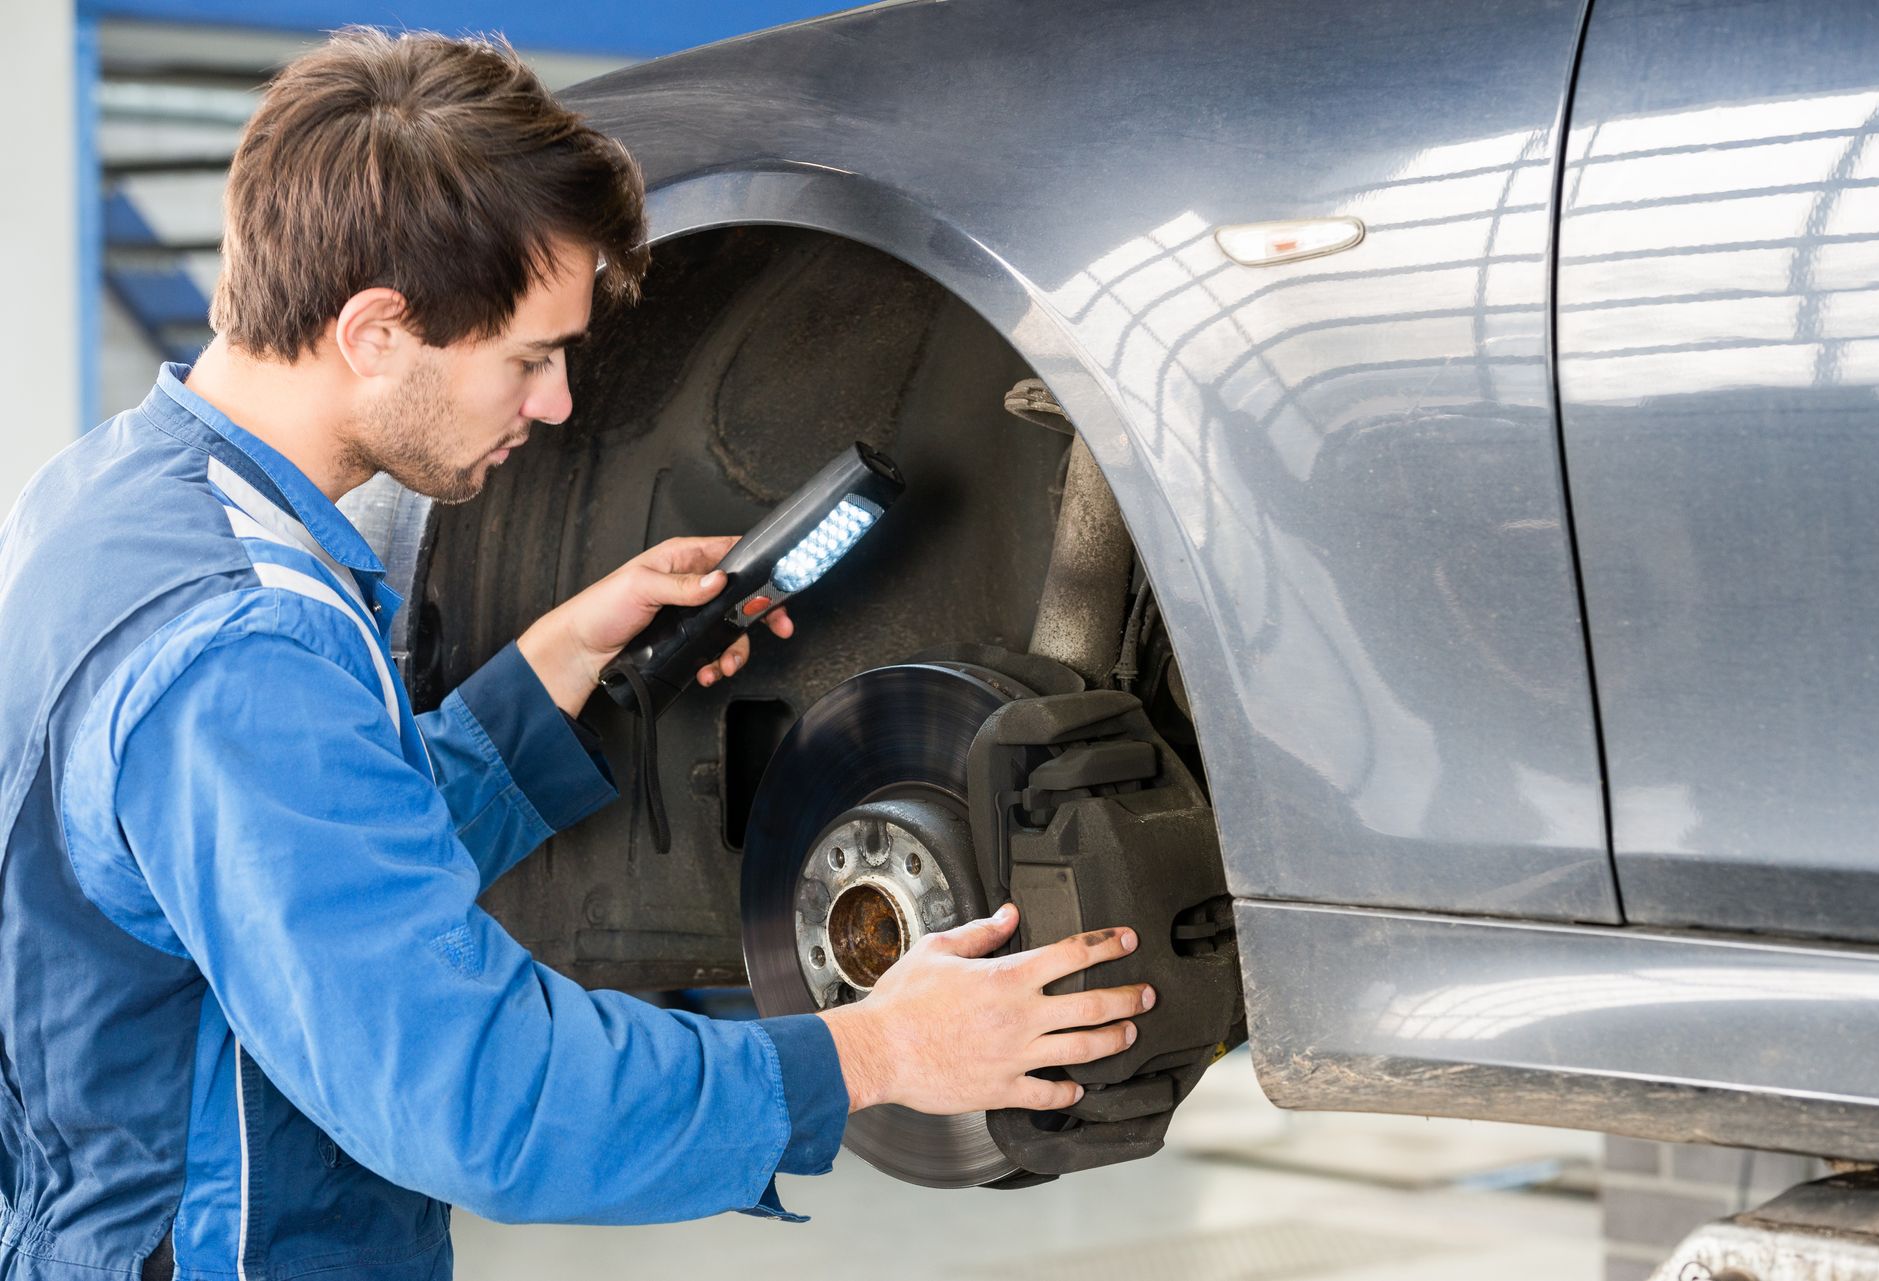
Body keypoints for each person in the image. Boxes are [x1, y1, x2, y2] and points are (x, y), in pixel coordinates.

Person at [0, 27, 1153, 1281]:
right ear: (376, 329)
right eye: (531, 358)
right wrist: (881, 1051)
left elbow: (278, 884)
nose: (555, 404)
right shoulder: (241, 647)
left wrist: (546, 680)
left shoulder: (122, 497)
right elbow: (476, 1098)